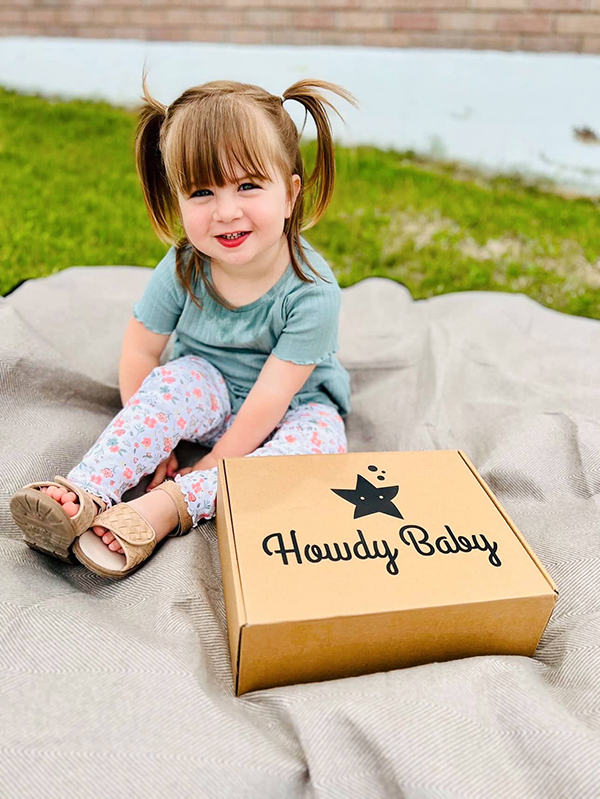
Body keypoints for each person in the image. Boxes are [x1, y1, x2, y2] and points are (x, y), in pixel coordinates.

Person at [10, 73, 357, 580]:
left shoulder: (312, 290)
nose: (226, 211)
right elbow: (140, 352)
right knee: (172, 383)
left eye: (248, 185)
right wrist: (160, 444)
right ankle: (86, 491)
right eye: (202, 192)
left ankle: (169, 507)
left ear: (290, 195)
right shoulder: (183, 268)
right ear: (178, 200)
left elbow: (270, 399)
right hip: (207, 386)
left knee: (319, 450)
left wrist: (213, 462)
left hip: (291, 407)